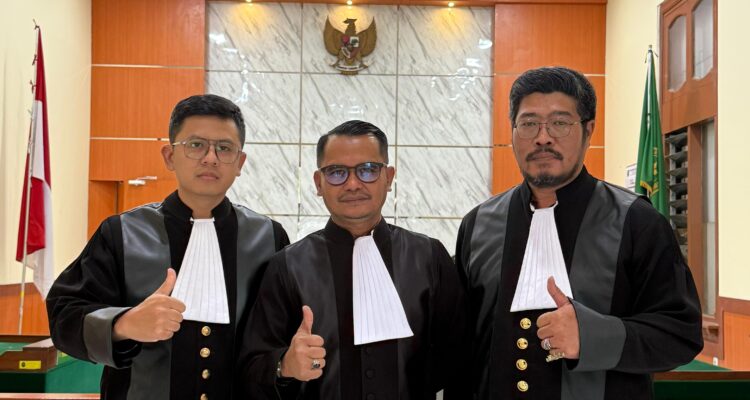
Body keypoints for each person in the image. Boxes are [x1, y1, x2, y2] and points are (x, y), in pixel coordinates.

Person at [450, 67, 703, 400]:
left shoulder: (636, 222)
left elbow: (681, 335)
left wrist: (594, 337)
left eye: (560, 123)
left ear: (588, 130)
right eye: (528, 123)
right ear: (512, 131)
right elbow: (459, 344)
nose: (543, 137)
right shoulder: (478, 224)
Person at [46, 94, 289, 400]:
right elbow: (64, 315)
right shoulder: (122, 233)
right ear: (170, 156)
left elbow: (282, 335)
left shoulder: (267, 238)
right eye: (196, 145)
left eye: (224, 148)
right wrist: (123, 324)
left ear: (240, 163)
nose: (210, 158)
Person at [238, 120, 466, 399]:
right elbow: (251, 368)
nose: (353, 184)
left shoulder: (429, 256)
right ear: (318, 183)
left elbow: (459, 360)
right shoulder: (287, 265)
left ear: (389, 177)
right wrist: (285, 365)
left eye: (368, 170)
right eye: (337, 173)